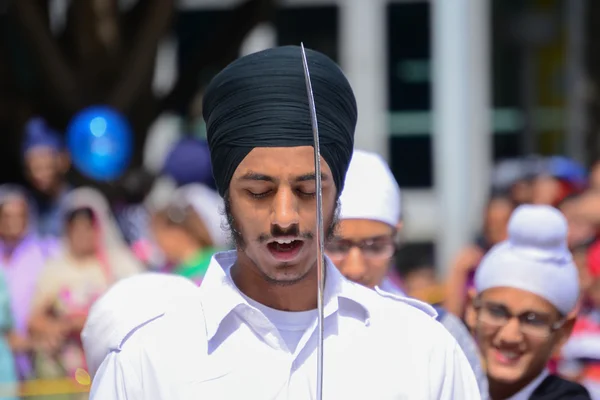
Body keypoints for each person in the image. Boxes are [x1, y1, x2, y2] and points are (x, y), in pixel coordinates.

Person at [85, 45, 479, 399]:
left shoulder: (421, 350)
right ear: (226, 198)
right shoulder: (149, 360)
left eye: (309, 191)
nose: (285, 217)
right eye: (259, 192)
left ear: (337, 195)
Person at [329, 148, 488, 398]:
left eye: (375, 247)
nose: (355, 268)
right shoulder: (284, 326)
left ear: (397, 235)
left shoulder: (440, 330)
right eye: (338, 247)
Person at [465, 204, 591, 399]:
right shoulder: (450, 386)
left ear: (563, 331)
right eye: (497, 312)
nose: (510, 336)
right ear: (472, 311)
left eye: (532, 320)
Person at [28, 187, 142, 383]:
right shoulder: (55, 269)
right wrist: (57, 328)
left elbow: (137, 307)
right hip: (68, 368)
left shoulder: (120, 264)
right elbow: (34, 319)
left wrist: (87, 322)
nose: (82, 235)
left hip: (110, 361)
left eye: (87, 228)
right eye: (76, 229)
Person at [0, 185, 58, 379]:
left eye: (19, 215)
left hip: (39, 355)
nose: (12, 222)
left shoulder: (47, 252)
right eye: (6, 216)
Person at [150, 183, 229, 284]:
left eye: (159, 235)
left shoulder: (219, 261)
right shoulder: (171, 273)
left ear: (177, 232)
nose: (157, 243)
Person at [21, 117, 71, 238]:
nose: (41, 175)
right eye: (35, 168)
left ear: (62, 163)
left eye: (47, 167)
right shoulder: (24, 206)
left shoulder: (75, 202)